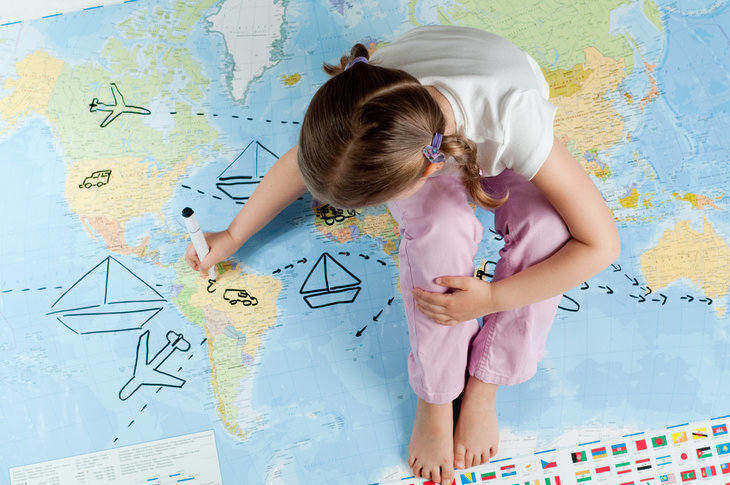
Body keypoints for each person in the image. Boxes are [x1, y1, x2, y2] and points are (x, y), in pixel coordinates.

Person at [185, 25, 620, 485]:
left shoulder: (514, 121)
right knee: (439, 234)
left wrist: (493, 298)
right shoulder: (363, 104)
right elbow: (302, 162)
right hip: (423, 120)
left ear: (430, 169)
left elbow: (601, 245)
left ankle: (485, 382)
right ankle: (435, 398)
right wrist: (233, 235)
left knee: (549, 231)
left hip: (493, 116)